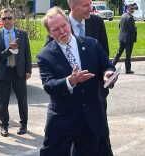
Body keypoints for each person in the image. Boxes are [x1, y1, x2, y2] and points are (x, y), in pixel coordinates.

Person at [37, 7, 116, 156]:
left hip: (90, 119)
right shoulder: (45, 56)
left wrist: (107, 74)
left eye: (64, 26)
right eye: (55, 29)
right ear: (49, 33)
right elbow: (49, 85)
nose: (62, 31)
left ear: (69, 23)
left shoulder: (92, 44)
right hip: (62, 119)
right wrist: (69, 81)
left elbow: (105, 65)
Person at [66, 0, 113, 155]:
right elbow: (52, 57)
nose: (91, 8)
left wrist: (106, 73)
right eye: (86, 5)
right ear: (73, 7)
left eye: (90, 3)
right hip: (72, 94)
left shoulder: (97, 22)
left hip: (96, 92)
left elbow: (104, 55)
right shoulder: (61, 25)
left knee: (101, 134)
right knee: (75, 136)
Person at [0, 8, 32, 137]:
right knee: (3, 101)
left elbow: (27, 53)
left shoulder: (22, 34)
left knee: (22, 99)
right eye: (4, 18)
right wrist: (9, 50)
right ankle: (4, 126)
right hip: (3, 72)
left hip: (18, 71)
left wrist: (28, 70)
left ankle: (23, 124)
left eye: (9, 18)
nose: (7, 20)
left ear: (14, 19)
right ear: (1, 20)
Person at [112, 3, 137, 74]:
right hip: (128, 38)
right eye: (131, 8)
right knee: (128, 54)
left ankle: (112, 65)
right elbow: (132, 29)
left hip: (122, 37)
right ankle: (128, 69)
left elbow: (119, 26)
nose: (133, 10)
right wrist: (136, 28)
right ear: (128, 8)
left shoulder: (123, 15)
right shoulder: (130, 17)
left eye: (133, 8)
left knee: (119, 52)